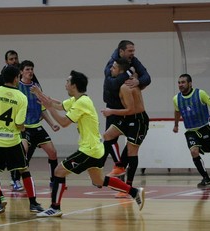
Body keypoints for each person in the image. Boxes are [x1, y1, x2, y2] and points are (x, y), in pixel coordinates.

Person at [30, 70, 145, 217]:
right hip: (95, 148)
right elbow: (58, 105)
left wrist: (49, 107)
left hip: (89, 150)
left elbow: (63, 122)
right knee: (99, 180)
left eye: (67, 82)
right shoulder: (78, 100)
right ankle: (134, 191)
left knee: (59, 171)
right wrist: (40, 94)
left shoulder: (82, 102)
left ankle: (55, 207)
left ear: (74, 85)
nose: (65, 85)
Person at [0, 65, 44, 214]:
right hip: (13, 141)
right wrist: (22, 130)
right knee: (24, 170)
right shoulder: (21, 97)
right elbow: (19, 124)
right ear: (16, 78)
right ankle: (33, 203)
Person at [101, 58, 149, 198]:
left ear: (121, 71)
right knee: (108, 135)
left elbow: (131, 109)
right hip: (128, 119)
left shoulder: (124, 87)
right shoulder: (129, 80)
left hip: (138, 120)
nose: (111, 70)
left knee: (131, 151)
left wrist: (111, 111)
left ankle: (127, 187)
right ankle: (119, 165)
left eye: (114, 68)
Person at [18, 60, 59, 188]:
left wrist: (52, 124)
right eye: (27, 69)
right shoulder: (17, 87)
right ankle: (16, 181)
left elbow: (42, 109)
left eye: (31, 69)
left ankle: (54, 179)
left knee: (53, 152)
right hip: (24, 128)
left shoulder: (36, 87)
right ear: (21, 72)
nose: (30, 72)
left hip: (36, 127)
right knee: (23, 156)